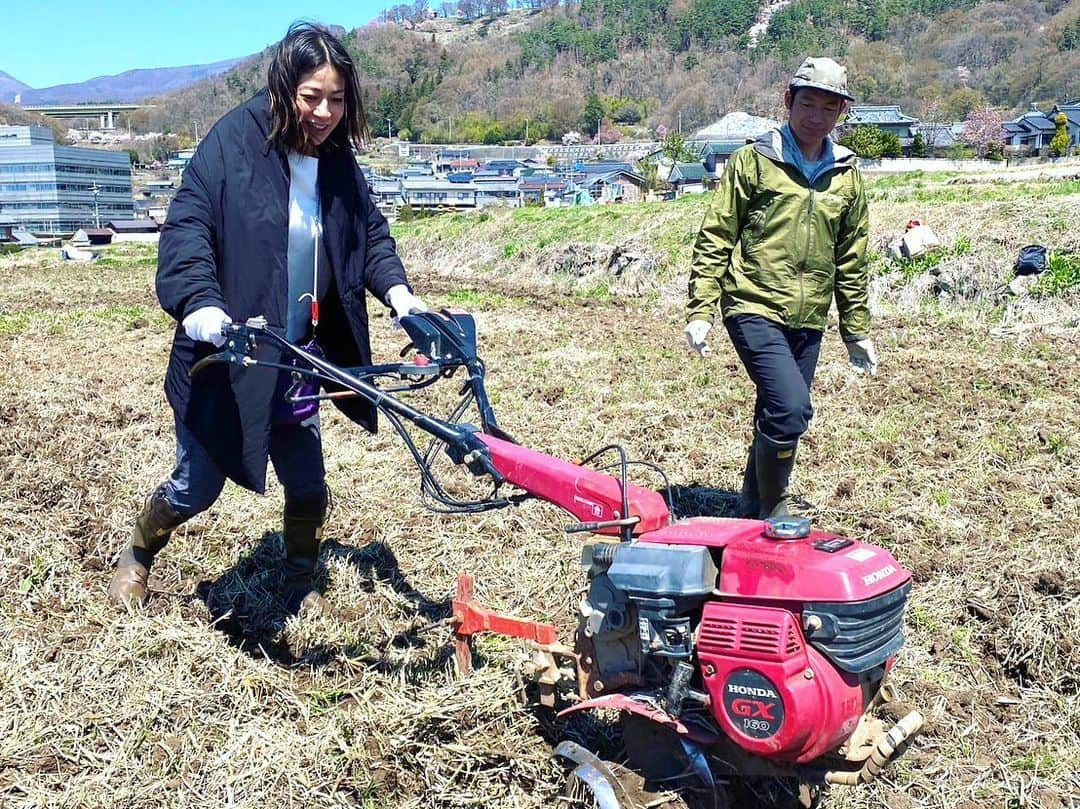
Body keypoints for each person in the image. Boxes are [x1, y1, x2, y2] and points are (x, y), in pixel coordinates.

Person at [108, 22, 427, 614]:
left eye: (337, 99)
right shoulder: (234, 143)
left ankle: (299, 574)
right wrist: (201, 304)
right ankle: (138, 552)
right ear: (284, 88)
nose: (326, 112)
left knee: (307, 484)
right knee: (196, 485)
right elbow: (188, 229)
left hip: (298, 357)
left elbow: (369, 234)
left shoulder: (337, 161)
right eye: (312, 97)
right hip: (230, 355)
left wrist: (401, 296)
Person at [684, 56, 876, 520]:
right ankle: (773, 505)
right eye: (807, 103)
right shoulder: (755, 161)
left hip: (809, 318)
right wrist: (701, 310)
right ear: (788, 101)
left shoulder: (846, 175)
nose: (817, 116)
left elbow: (852, 257)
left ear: (841, 114)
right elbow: (717, 235)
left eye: (830, 108)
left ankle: (750, 510)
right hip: (753, 303)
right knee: (791, 410)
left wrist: (855, 330)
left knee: (774, 413)